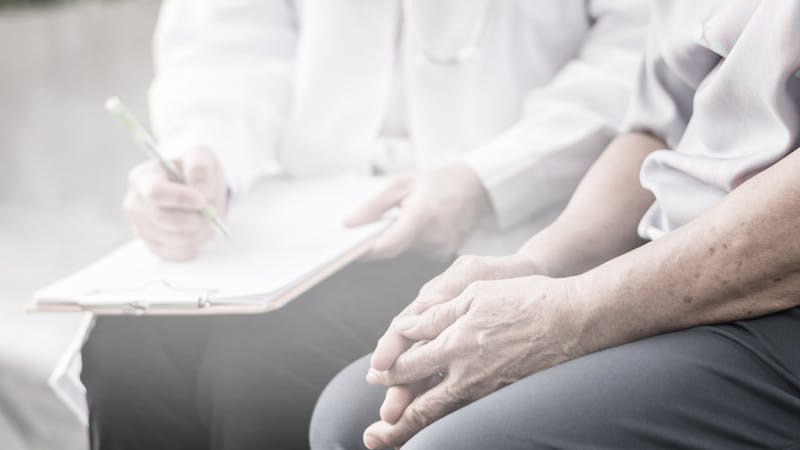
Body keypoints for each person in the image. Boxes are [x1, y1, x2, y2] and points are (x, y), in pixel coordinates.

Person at [80, 1, 649, 449]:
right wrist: (208, 149)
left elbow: (638, 52)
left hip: (514, 214)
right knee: (130, 343)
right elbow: (228, 35)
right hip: (301, 212)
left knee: (266, 367)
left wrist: (490, 177)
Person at [310, 1, 800, 448]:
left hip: (778, 305)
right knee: (349, 417)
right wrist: (541, 265)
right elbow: (657, 130)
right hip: (668, 258)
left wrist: (574, 312)